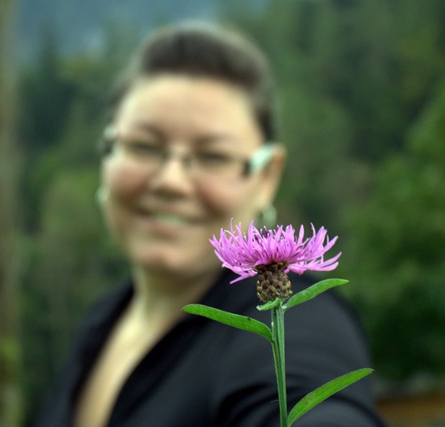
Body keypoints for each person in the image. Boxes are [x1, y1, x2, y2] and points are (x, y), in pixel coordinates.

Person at [33, 21, 385, 427]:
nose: (171, 181)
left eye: (213, 156)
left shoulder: (298, 322)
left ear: (267, 176)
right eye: (143, 146)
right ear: (108, 153)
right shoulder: (100, 320)